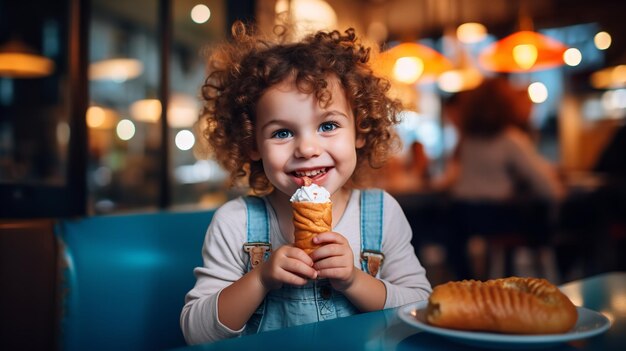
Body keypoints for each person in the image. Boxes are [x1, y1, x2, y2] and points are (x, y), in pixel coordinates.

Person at [180, 22, 431, 344]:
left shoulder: (382, 213)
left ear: (360, 130)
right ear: (252, 144)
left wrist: (354, 280)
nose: (307, 149)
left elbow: (421, 309)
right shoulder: (236, 223)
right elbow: (196, 333)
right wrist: (261, 278)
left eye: (328, 125)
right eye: (282, 133)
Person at [435, 77, 564, 280]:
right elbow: (548, 188)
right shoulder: (510, 138)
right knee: (543, 221)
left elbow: (454, 180)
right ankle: (543, 282)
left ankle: (469, 283)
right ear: (508, 105)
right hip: (497, 216)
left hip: (463, 215)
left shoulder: (468, 140)